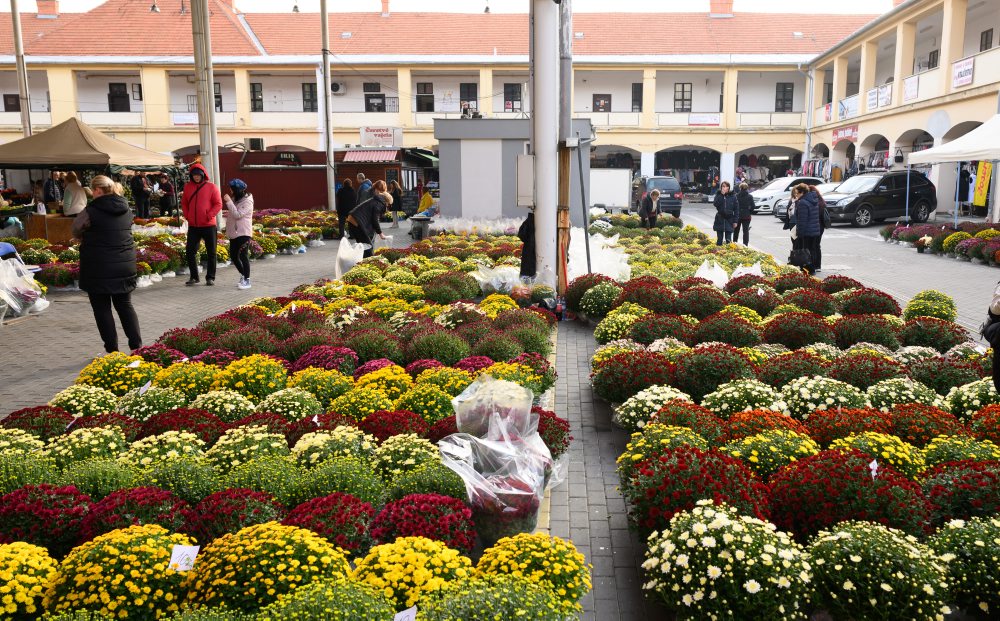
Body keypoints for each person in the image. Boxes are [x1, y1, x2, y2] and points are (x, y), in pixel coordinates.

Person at [72, 175, 142, 354]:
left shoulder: (91, 210)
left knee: (102, 309)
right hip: (124, 264)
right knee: (125, 305)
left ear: (97, 190)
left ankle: (112, 351)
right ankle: (137, 347)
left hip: (98, 266)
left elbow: (76, 228)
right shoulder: (126, 208)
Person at [180, 163, 223, 286]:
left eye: (198, 175)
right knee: (190, 251)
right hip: (194, 225)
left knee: (212, 252)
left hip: (208, 225)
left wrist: (209, 215)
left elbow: (218, 204)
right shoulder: (187, 187)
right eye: (194, 175)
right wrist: (188, 215)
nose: (196, 177)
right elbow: (184, 203)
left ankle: (210, 277)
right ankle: (194, 277)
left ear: (203, 175)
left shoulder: (212, 187)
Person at [224, 178, 254, 290]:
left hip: (243, 233)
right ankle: (243, 275)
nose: (230, 191)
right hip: (234, 233)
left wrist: (228, 202)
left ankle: (247, 280)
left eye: (232, 189)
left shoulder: (247, 201)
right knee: (233, 256)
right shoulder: (236, 198)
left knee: (243, 256)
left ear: (238, 190)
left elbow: (237, 214)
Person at [788, 183, 821, 275]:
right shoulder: (813, 199)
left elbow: (802, 220)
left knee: (805, 251)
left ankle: (808, 269)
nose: (796, 195)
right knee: (812, 249)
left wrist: (800, 233)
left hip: (806, 231)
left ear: (802, 192)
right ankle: (812, 267)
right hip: (814, 230)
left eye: (797, 193)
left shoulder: (802, 202)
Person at [347, 189, 389, 259]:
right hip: (356, 221)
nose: (388, 207)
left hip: (352, 220)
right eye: (389, 205)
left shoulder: (375, 201)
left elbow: (370, 219)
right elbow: (374, 220)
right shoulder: (379, 204)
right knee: (368, 247)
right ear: (387, 202)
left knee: (363, 245)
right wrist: (380, 233)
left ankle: (360, 262)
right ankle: (368, 263)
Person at [809, 184, 830, 272]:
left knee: (812, 246)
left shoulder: (813, 202)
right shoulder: (821, 201)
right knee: (817, 246)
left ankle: (813, 265)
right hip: (821, 227)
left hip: (814, 226)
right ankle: (818, 266)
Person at [734, 182, 754, 246]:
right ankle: (745, 244)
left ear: (740, 188)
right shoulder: (750, 196)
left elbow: (734, 206)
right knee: (745, 231)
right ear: (747, 188)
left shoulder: (736, 196)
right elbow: (753, 206)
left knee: (736, 230)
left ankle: (735, 243)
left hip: (738, 215)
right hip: (746, 216)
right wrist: (749, 211)